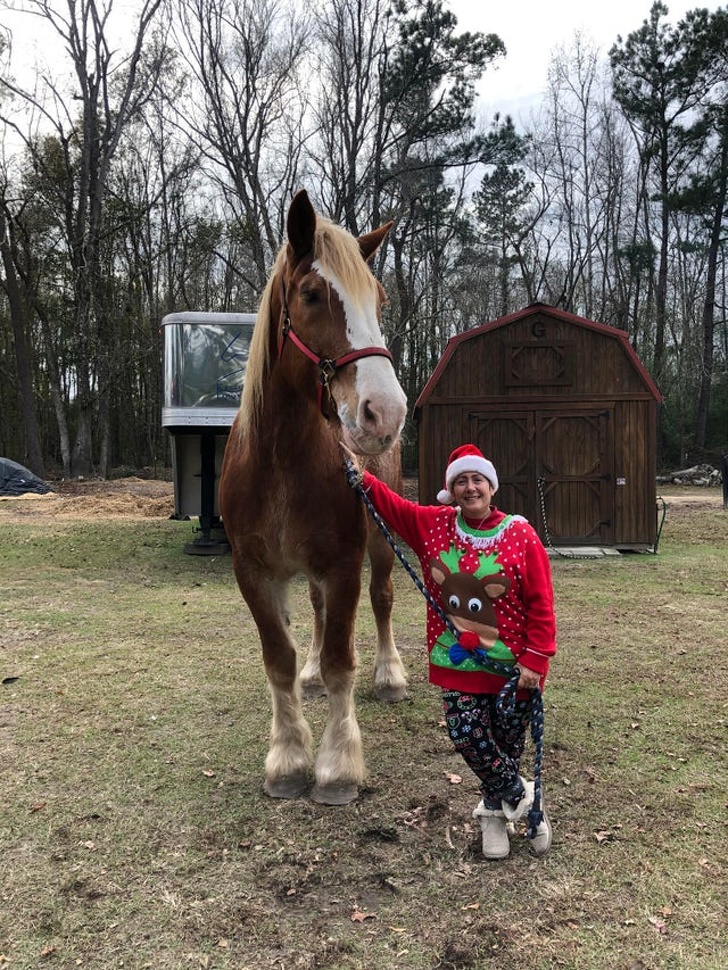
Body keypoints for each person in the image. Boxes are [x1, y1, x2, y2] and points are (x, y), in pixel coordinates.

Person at [343, 443, 557, 860]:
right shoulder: (434, 526)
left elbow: (541, 601)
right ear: (451, 490)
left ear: (491, 486)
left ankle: (493, 817)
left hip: (515, 668)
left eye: (477, 480)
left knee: (505, 746)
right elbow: (394, 506)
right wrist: (361, 475)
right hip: (456, 664)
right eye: (462, 481)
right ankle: (525, 800)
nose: (470, 488)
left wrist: (536, 659)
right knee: (467, 734)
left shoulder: (520, 533)